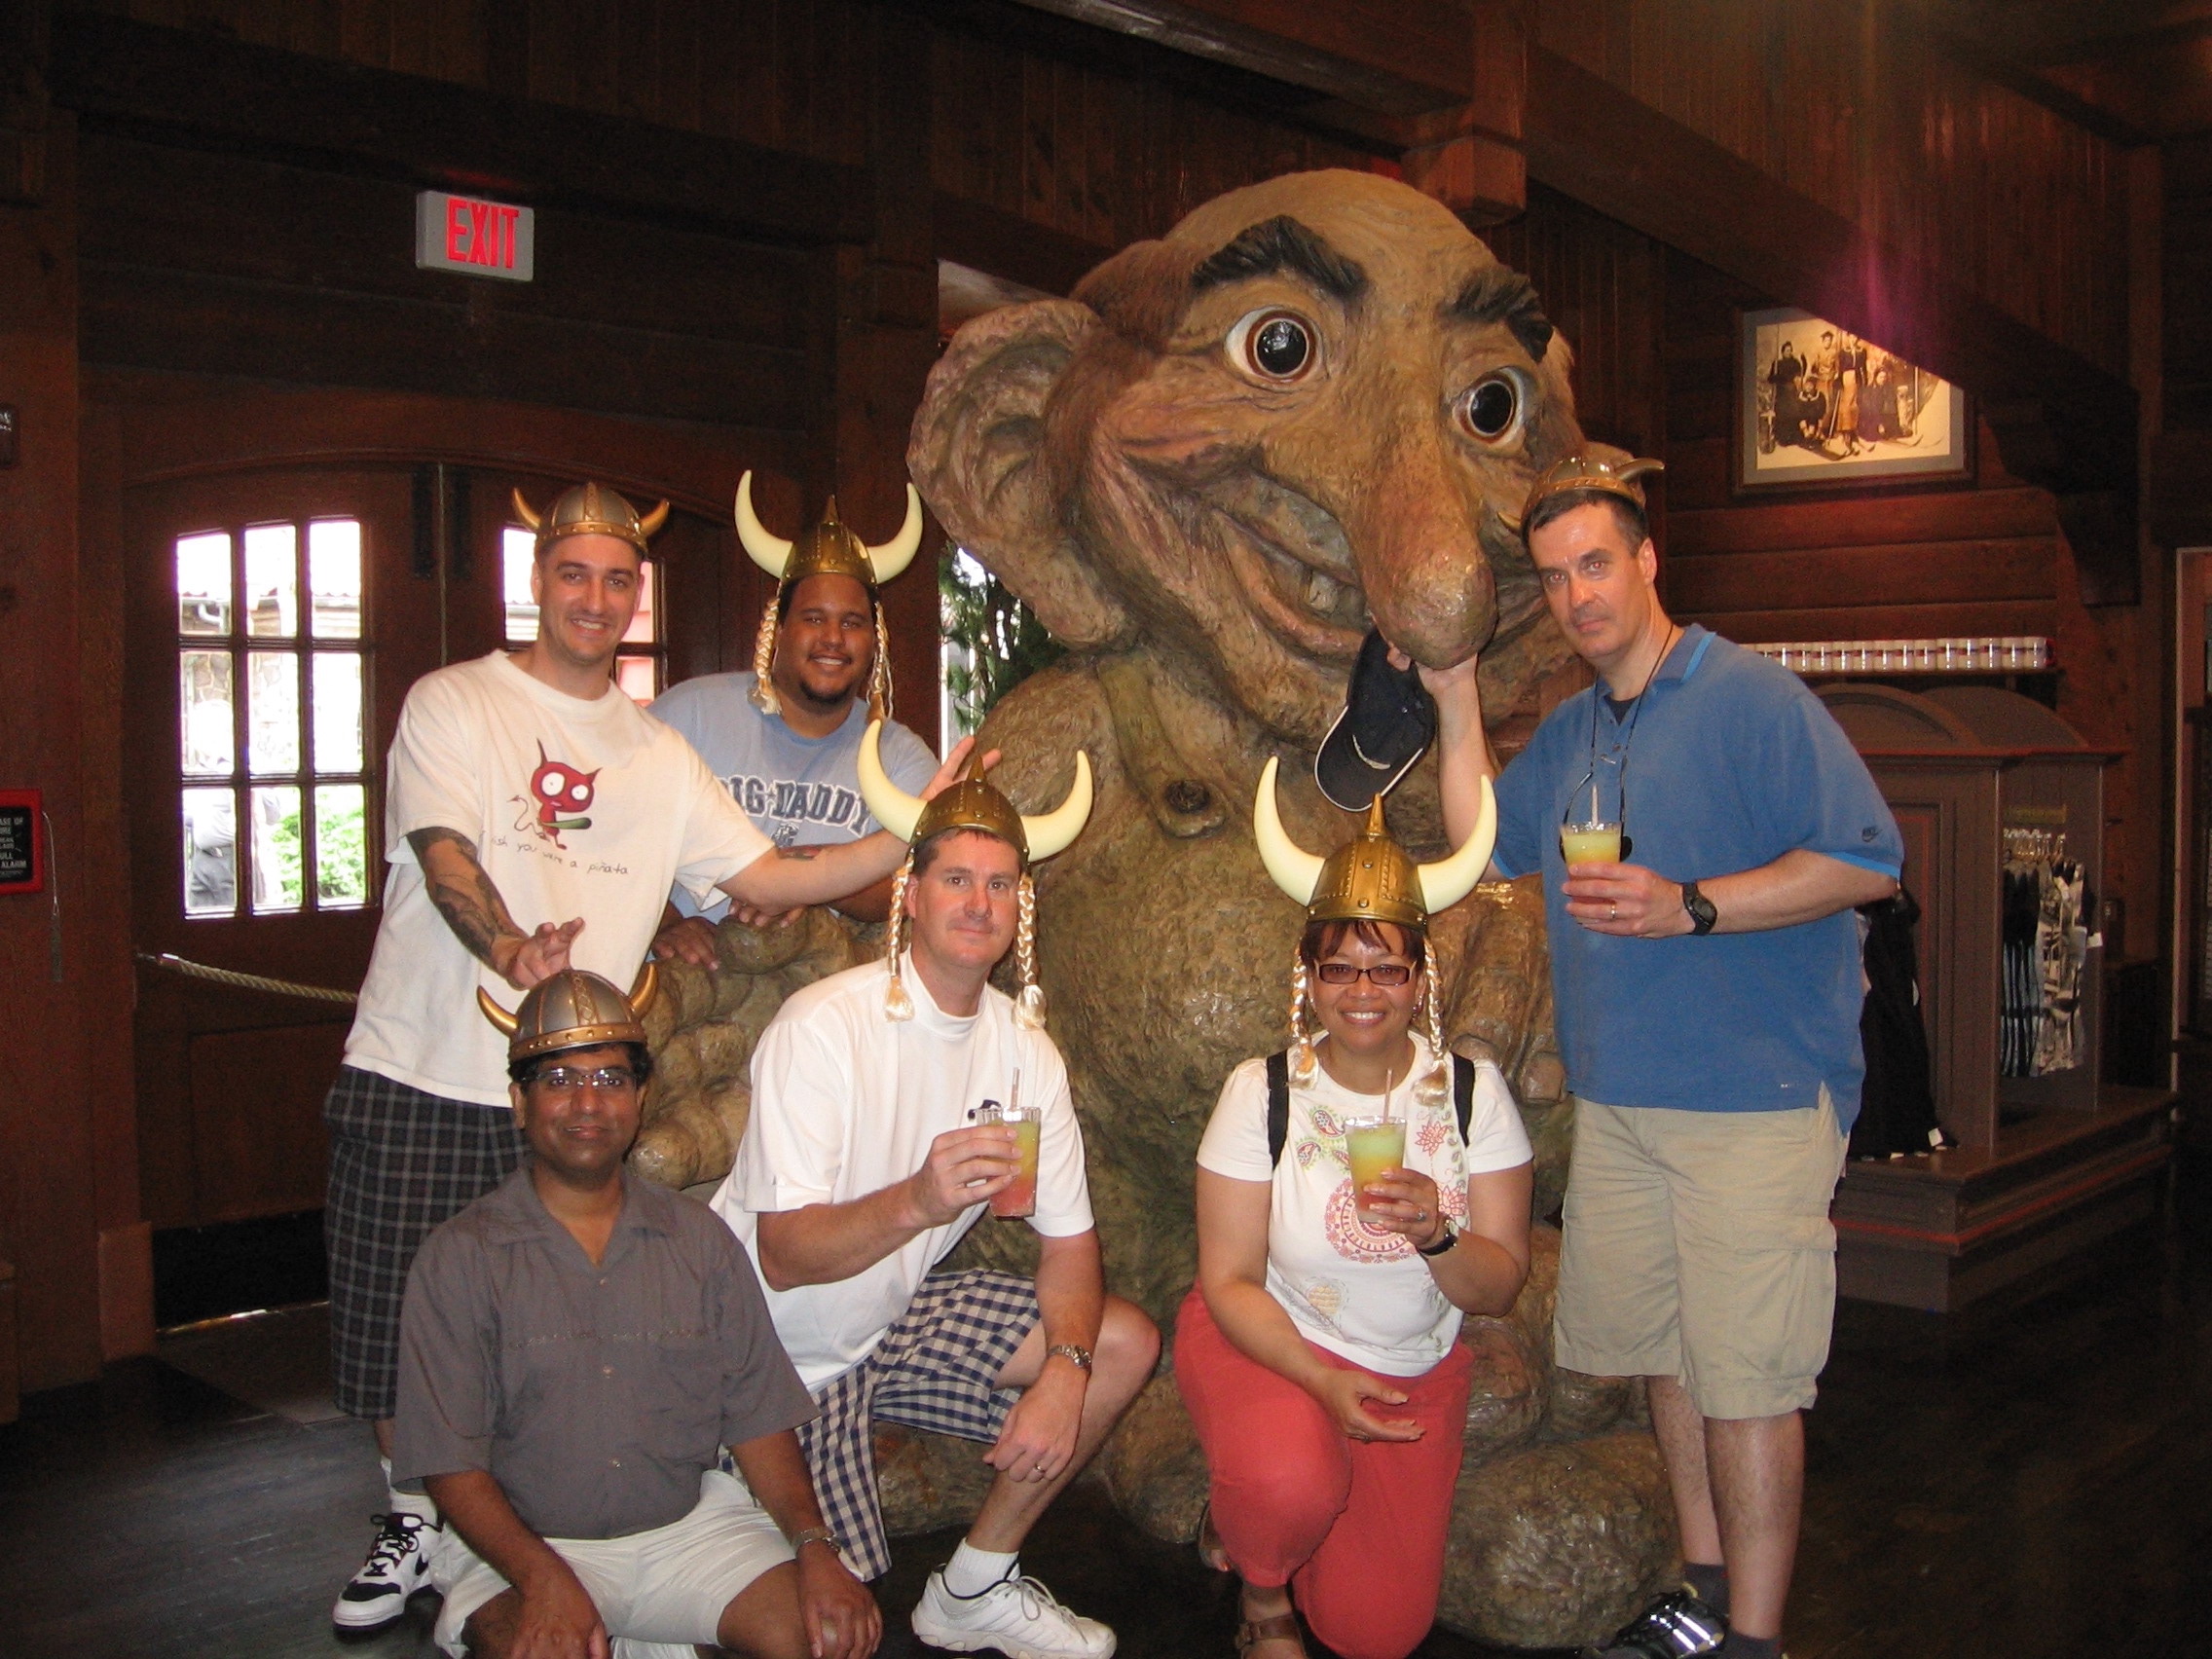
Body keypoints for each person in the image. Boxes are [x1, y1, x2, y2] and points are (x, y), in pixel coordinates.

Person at [328, 480, 975, 1633]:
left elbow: (771, 877)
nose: (595, 597)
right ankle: (412, 1518)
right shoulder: (454, 701)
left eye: (617, 580)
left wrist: (921, 824)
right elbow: (444, 854)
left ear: (638, 594)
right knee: (394, 1322)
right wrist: (510, 949)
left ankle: (544, 1536)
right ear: (539, 580)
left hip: (580, 1091)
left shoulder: (657, 753)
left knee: (556, 1327)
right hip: (425, 1063)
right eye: (574, 573)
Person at [1427, 453, 1902, 1659]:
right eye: (1554, 578)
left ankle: (1755, 1639)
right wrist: (1451, 693)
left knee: (1748, 1380)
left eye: (1595, 564)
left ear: (1645, 562)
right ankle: (1700, 1594)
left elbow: (1865, 861)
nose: (1576, 595)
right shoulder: (1578, 729)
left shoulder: (1750, 698)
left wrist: (1691, 904)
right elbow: (1483, 846)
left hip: (1754, 1099)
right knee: (1671, 1364)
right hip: (1622, 1103)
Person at [710, 726, 1159, 1659]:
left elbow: (1070, 1242)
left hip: (889, 1321)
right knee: (827, 1626)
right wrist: (919, 1199)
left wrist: (1066, 1369)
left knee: (1121, 1342)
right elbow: (783, 1257)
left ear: (1020, 906)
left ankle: (975, 1586)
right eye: (956, 879)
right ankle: (706, 1526)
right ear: (910, 896)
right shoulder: (824, 1028)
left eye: (1000, 884)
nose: (978, 903)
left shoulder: (1024, 1050)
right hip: (765, 1356)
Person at [392, 966, 879, 1659]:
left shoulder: (699, 1239)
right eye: (559, 1081)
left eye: (610, 1079)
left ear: (640, 1098)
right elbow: (449, 1462)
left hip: (689, 1532)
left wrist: (815, 1547)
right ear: (520, 1102)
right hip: (525, 1545)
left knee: (823, 1636)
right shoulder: (459, 1257)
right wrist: (545, 1579)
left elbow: (759, 1416)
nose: (588, 1102)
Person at [1176, 764, 1532, 1659]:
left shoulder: (1470, 1093)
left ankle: (1265, 1517)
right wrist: (1319, 1381)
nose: (1362, 990)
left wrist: (1436, 1234)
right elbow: (1228, 1279)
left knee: (1377, 1634)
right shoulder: (1261, 1091)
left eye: (1386, 968)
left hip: (1409, 1368)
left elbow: (1497, 1287)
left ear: (1420, 978)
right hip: (1275, 1341)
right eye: (1339, 967)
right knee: (1289, 1483)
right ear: (1310, 975)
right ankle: (1262, 1590)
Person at [649, 475, 938, 959]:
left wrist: (796, 884)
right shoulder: (689, 715)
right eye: (813, 618)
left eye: (852, 622)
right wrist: (666, 924)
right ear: (779, 627)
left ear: (874, 640)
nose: (833, 638)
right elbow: (613, 837)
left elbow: (910, 886)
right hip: (689, 977)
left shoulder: (901, 757)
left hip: (819, 985)